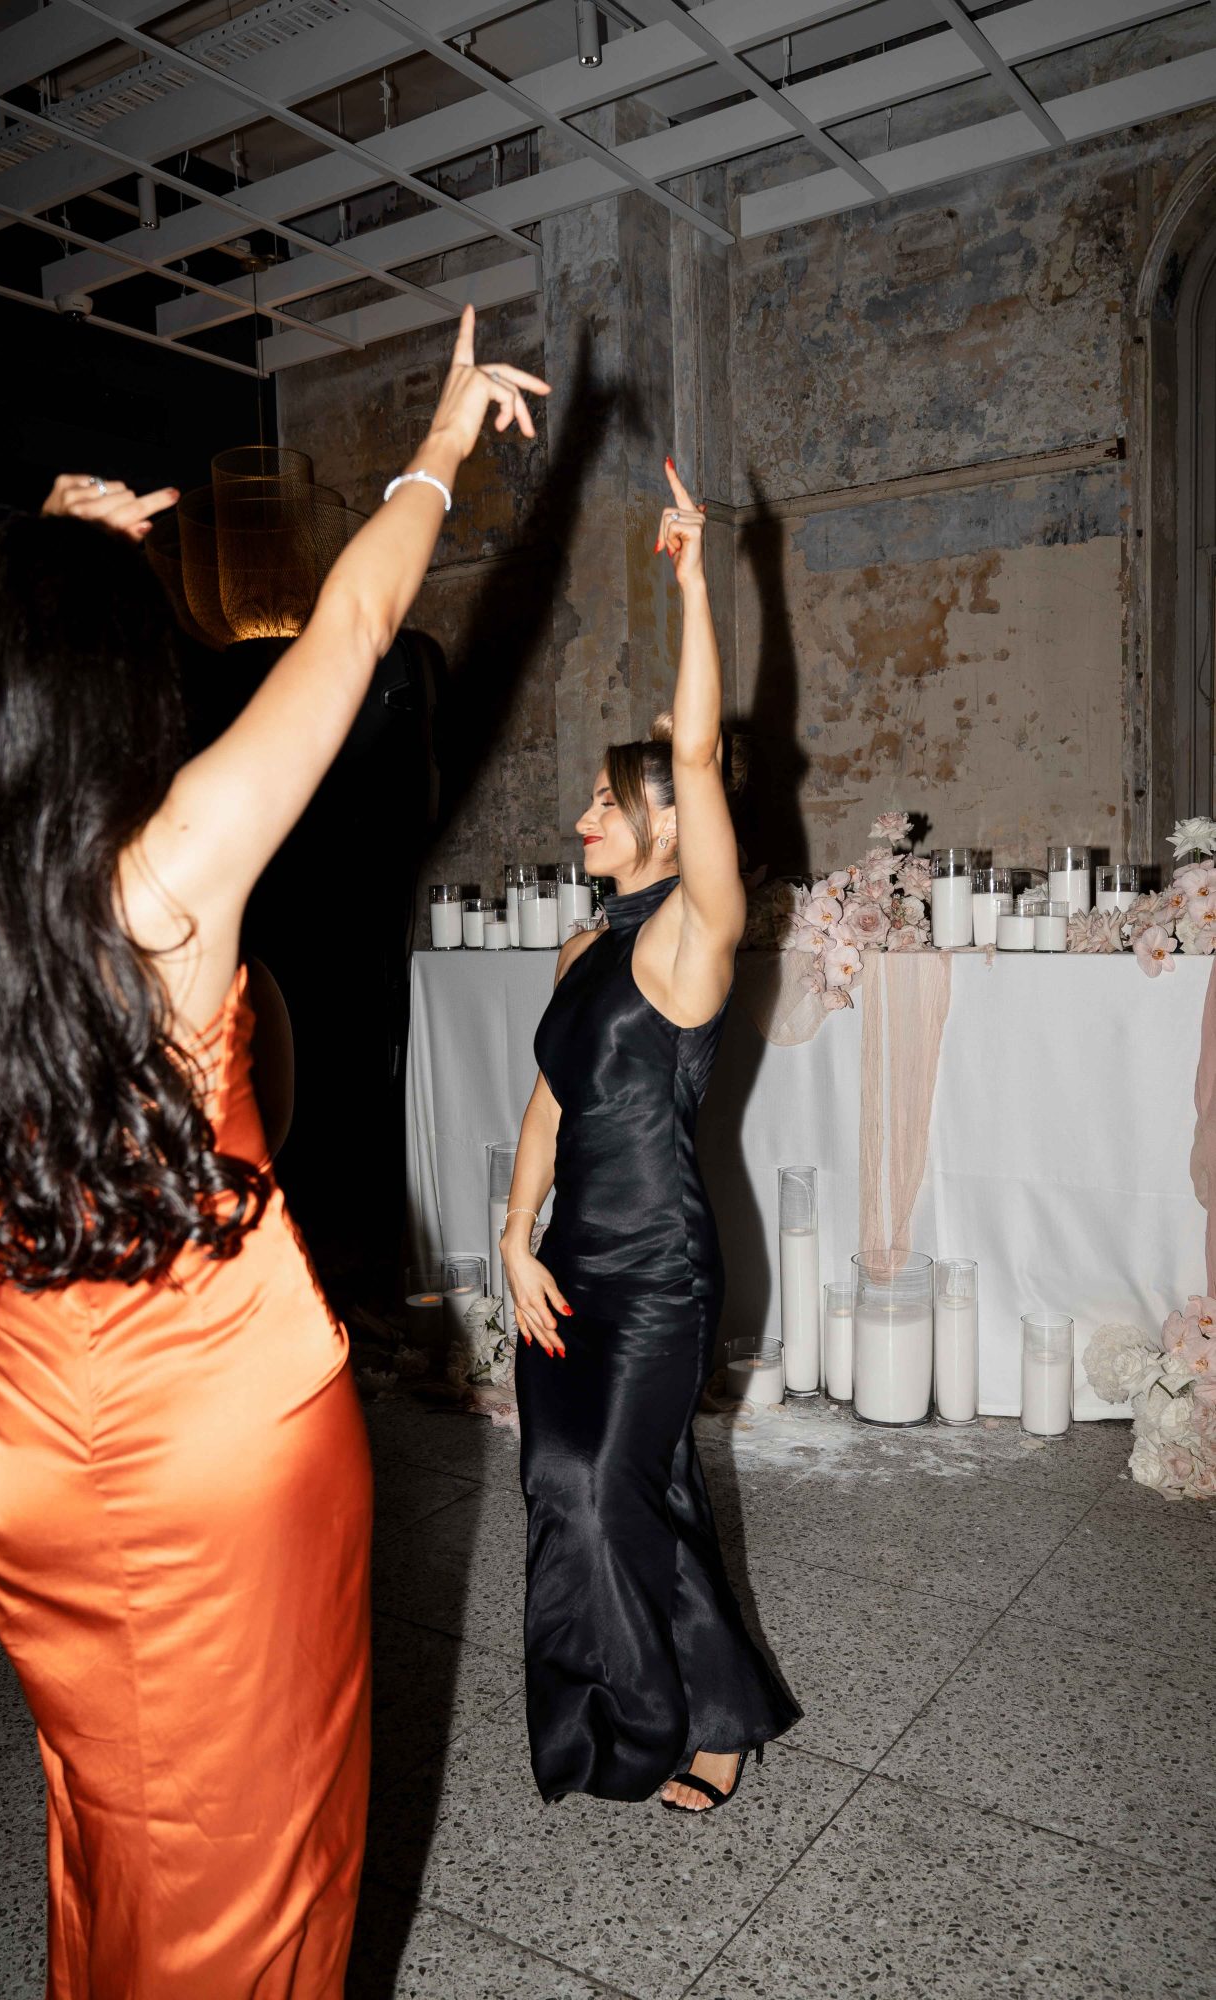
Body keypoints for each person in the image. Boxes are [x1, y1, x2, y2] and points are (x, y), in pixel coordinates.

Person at [0, 308, 548, 1997]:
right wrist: (437, 447)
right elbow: (358, 622)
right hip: (219, 1435)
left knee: (115, 1812)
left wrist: (3, 571)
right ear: (124, 694)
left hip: (16, 1441)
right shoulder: (174, 870)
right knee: (256, 1846)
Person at [500, 459, 802, 1815]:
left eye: (602, 803)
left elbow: (692, 753)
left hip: (659, 1274)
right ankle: (683, 1713)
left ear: (668, 825)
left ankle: (684, 1713)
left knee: (598, 1486)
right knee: (586, 1486)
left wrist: (693, 584)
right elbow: (547, 1103)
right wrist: (512, 1237)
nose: (580, 819)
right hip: (567, 1264)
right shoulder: (581, 948)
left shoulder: (694, 939)